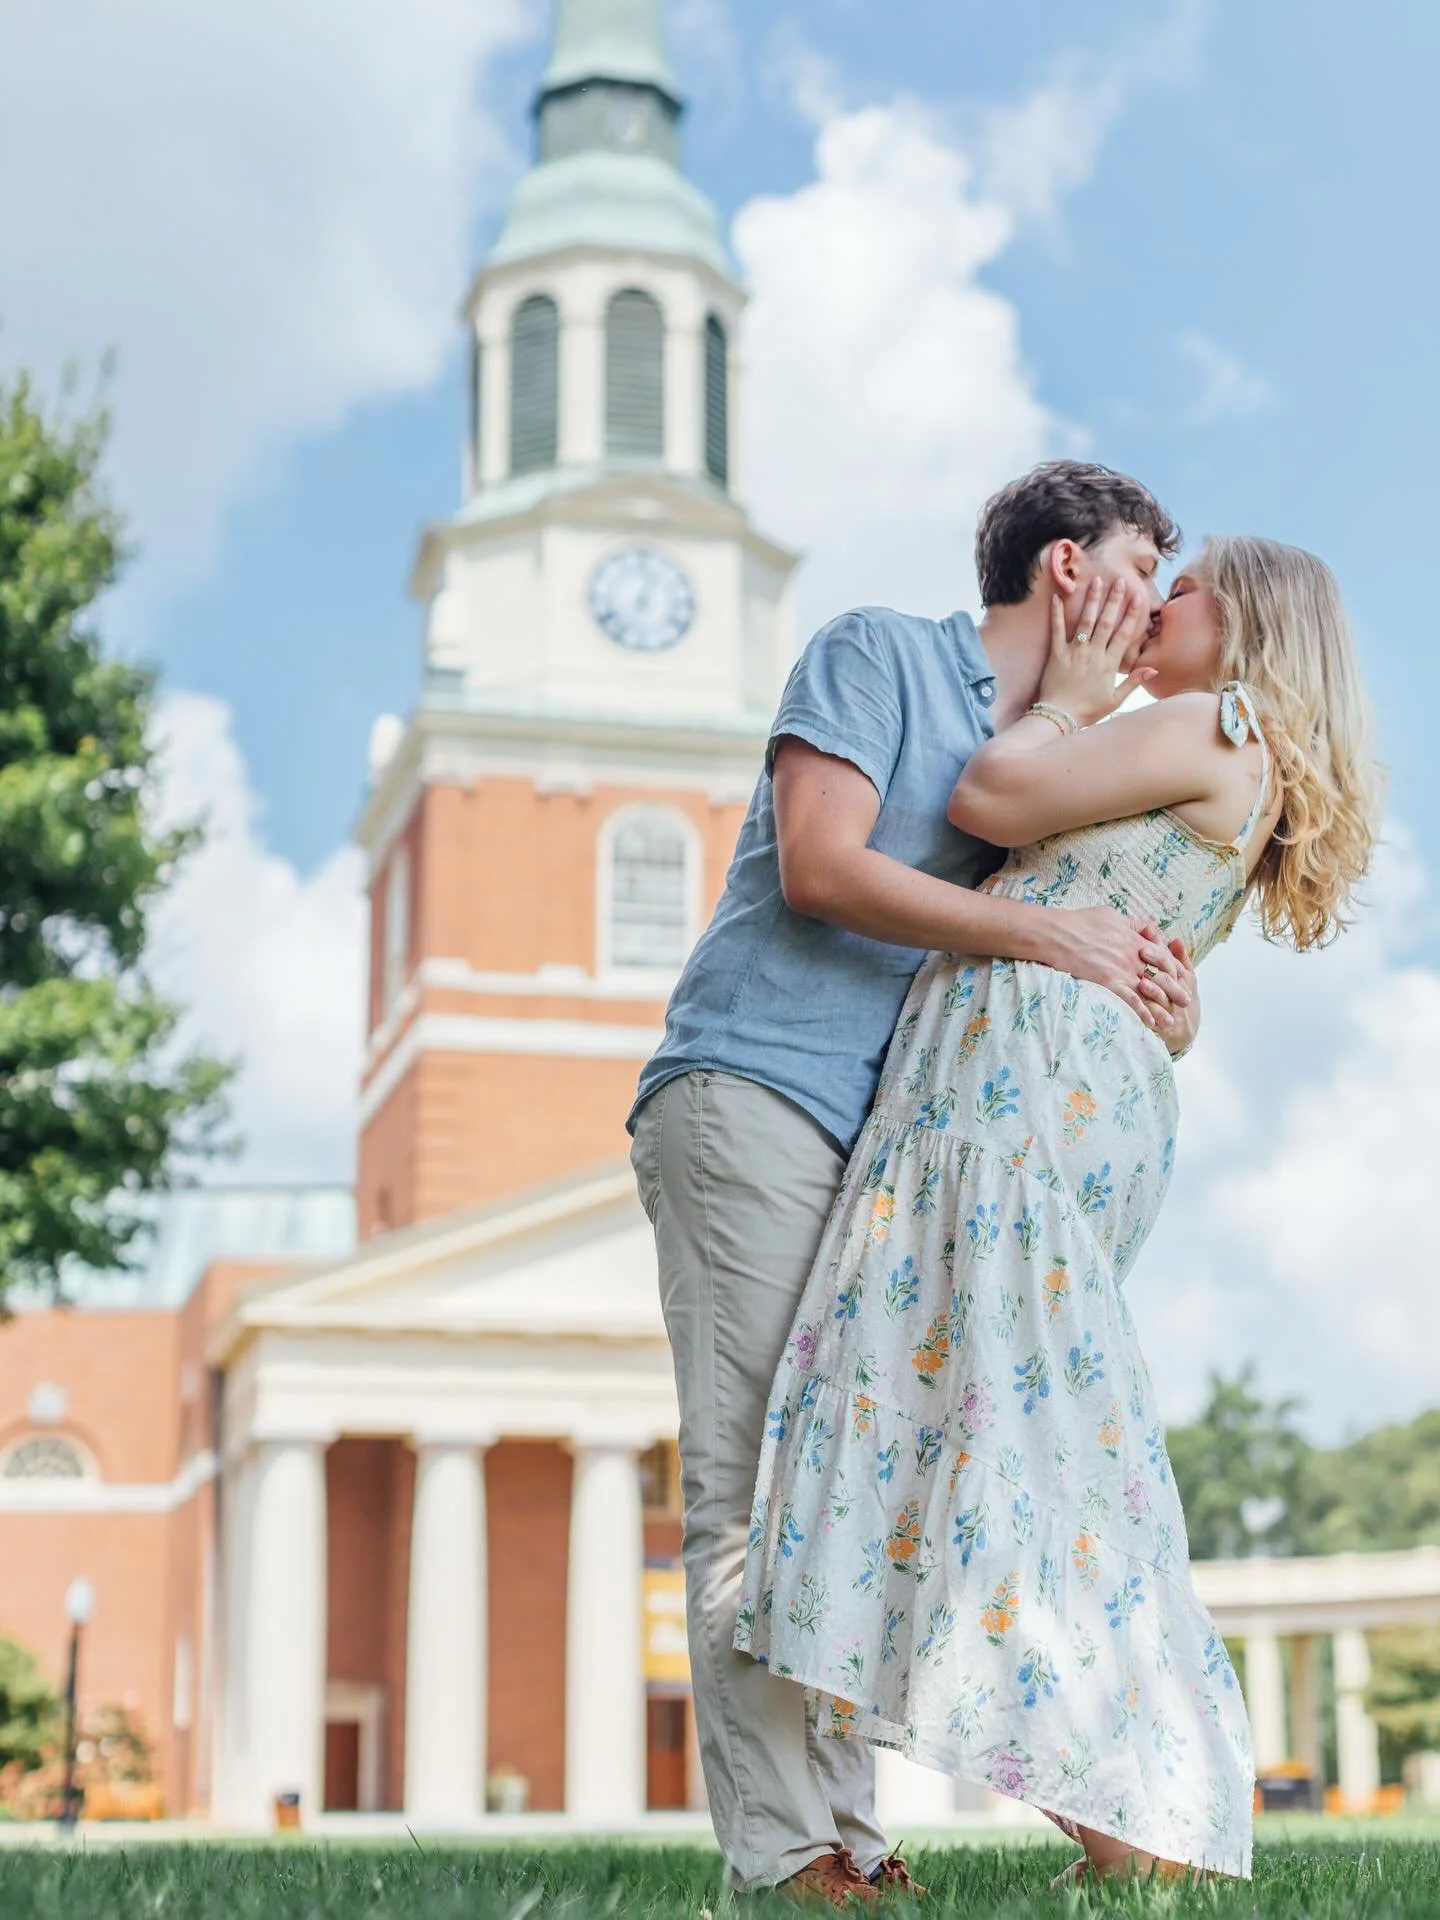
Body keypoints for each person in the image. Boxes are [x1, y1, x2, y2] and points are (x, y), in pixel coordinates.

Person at [735, 536, 1381, 1887]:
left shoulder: (1213, 719)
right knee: (1027, 1408)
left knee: (998, 1411)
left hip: (1016, 1076)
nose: (1157, 608)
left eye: (1185, 591)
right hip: (1077, 1083)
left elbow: (996, 791)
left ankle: (1137, 1810)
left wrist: (1076, 696)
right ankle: (1129, 1801)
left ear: (1250, 623)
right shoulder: (1248, 758)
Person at [629, 462, 1204, 1904]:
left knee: (845, 1484)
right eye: (1143, 569)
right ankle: (806, 1853)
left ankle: (878, 1840)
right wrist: (1047, 941)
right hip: (754, 1088)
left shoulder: (1055, 759)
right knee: (753, 1485)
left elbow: (1099, 928)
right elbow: (822, 867)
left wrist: (1157, 994)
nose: (1160, 609)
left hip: (896, 1158)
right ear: (1067, 571)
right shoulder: (879, 652)